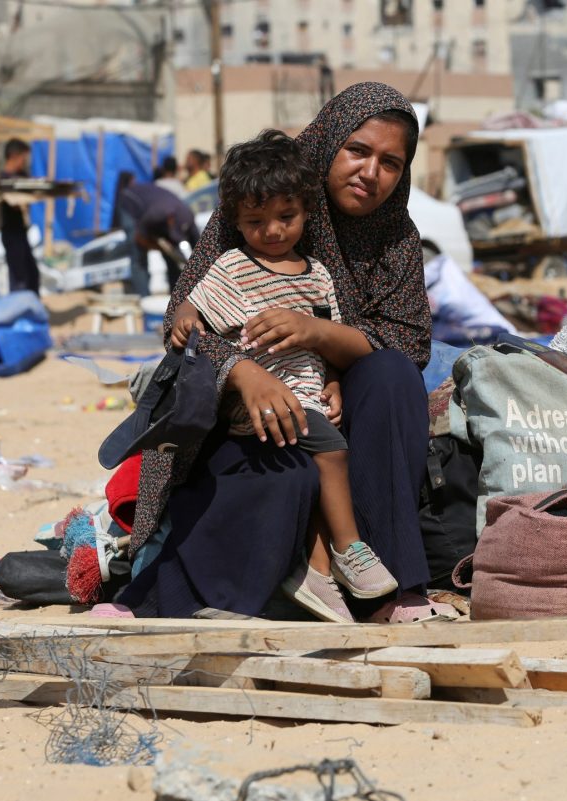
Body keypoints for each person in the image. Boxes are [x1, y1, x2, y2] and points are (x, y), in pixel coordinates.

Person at [117, 82, 447, 623]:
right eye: (358, 151)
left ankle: (391, 589)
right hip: (242, 412)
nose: (371, 173)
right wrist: (244, 373)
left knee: (391, 375)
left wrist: (315, 335)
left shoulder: (397, 238)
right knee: (288, 472)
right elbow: (185, 319)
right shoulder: (266, 201)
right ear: (327, 145)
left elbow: (408, 342)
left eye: (391, 162)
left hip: (332, 402)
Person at [170, 130, 399, 623]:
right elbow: (193, 304)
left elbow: (331, 343)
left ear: (306, 210)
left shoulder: (316, 274)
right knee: (332, 451)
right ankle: (349, 548)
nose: (273, 231)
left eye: (285, 218)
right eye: (255, 222)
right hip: (261, 405)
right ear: (235, 221)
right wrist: (186, 317)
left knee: (315, 467)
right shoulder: (233, 266)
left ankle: (314, 573)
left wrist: (334, 382)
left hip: (307, 395)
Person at [117, 178, 199, 296]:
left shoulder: (189, 219)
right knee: (138, 255)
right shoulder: (156, 214)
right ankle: (144, 299)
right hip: (130, 204)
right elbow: (139, 238)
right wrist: (158, 247)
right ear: (169, 220)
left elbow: (200, 250)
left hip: (156, 211)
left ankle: (176, 298)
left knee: (171, 258)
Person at [0, 138, 40, 295]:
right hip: (11, 234)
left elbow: (34, 188)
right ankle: (19, 314)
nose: (24, 162)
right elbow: (15, 200)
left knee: (32, 275)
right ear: (14, 156)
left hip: (22, 233)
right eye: (23, 158)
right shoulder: (5, 180)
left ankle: (32, 310)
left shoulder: (22, 176)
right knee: (19, 279)